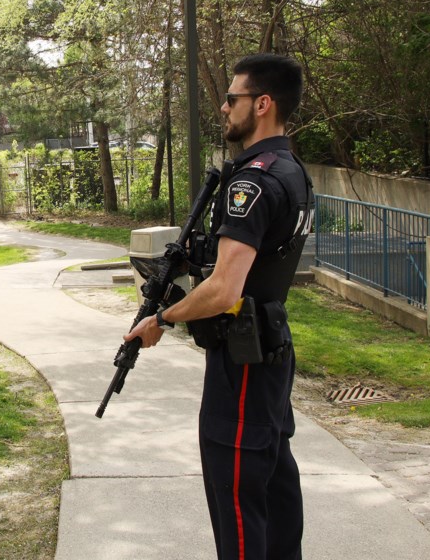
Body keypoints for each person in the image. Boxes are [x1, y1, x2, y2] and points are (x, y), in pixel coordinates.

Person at [125, 53, 314, 560]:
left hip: (244, 363)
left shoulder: (253, 181)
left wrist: (161, 319)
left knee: (236, 495)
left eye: (233, 98)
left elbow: (226, 289)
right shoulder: (292, 169)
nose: (225, 107)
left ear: (263, 104)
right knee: (273, 484)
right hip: (270, 350)